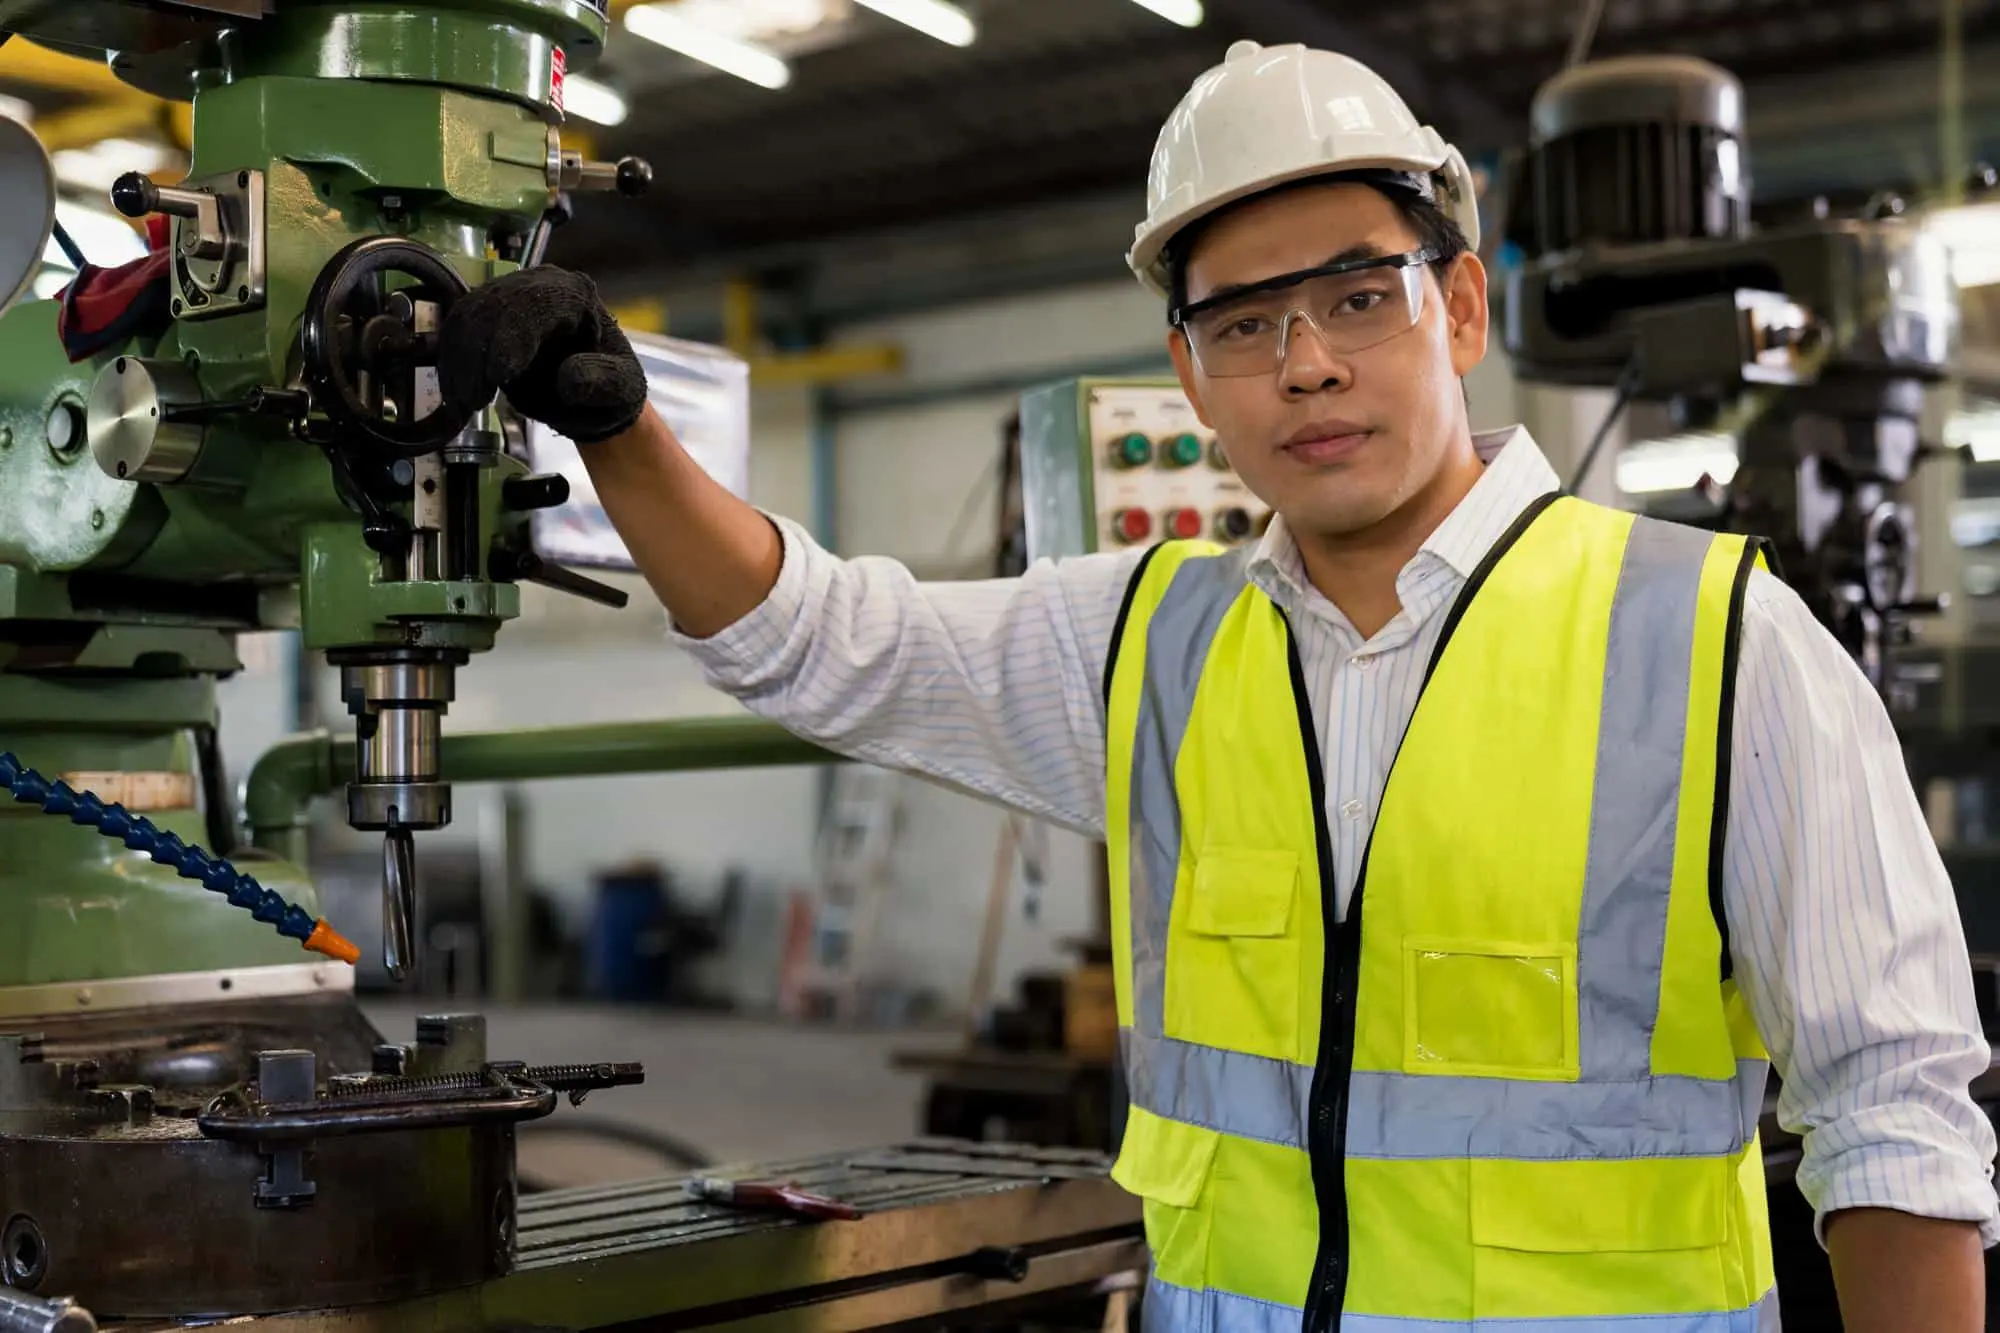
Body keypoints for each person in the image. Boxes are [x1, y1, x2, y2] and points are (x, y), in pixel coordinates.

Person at [437, 39, 1997, 1333]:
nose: (1305, 364)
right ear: (1190, 376)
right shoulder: (1148, 645)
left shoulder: (1715, 643)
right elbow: (824, 641)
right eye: (1244, 323)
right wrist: (624, 435)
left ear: (1457, 309)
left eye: (1356, 295)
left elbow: (1895, 1118)